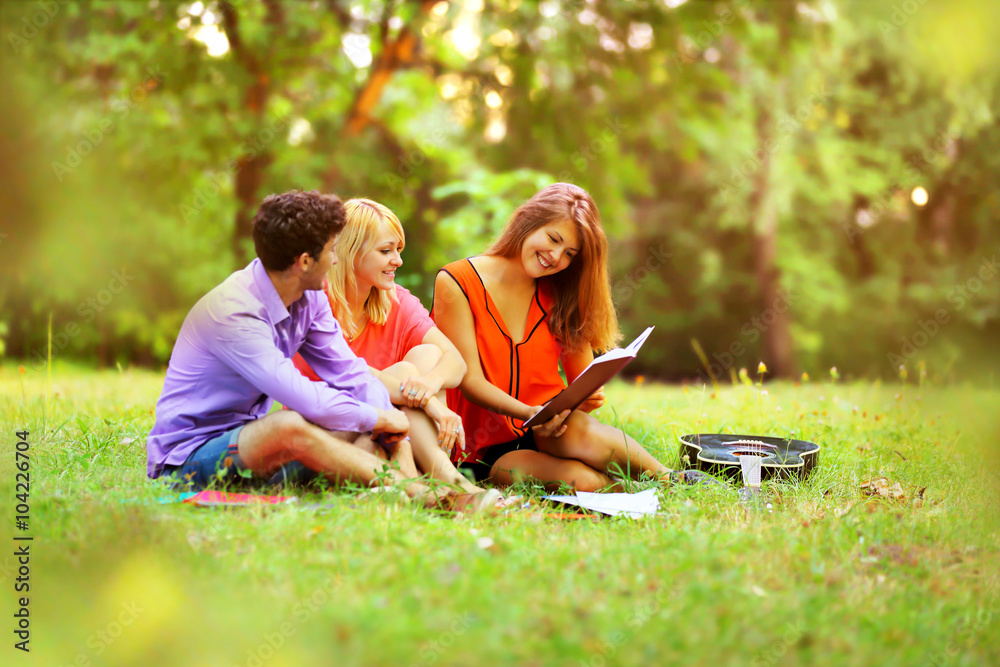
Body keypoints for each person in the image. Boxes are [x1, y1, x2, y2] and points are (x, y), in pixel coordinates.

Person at [146, 190, 494, 511]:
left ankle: (425, 489)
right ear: (304, 262)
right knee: (288, 425)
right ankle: (421, 494)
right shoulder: (234, 312)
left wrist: (388, 414)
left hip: (255, 455)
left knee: (369, 416)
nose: (336, 259)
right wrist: (379, 416)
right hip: (190, 461)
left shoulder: (309, 299)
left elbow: (350, 373)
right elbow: (304, 397)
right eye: (332, 250)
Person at [433, 183, 680, 491]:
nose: (555, 257)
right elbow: (470, 382)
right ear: (529, 221)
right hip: (484, 449)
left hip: (547, 428)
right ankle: (608, 481)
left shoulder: (560, 293)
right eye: (553, 239)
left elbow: (584, 385)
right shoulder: (457, 281)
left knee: (582, 432)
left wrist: (583, 399)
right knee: (587, 482)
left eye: (569, 253)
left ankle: (675, 479)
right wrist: (527, 412)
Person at [292, 198, 483, 495]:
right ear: (350, 252)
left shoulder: (395, 299)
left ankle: (429, 479)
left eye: (398, 250)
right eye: (385, 251)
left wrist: (426, 385)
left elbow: (456, 362)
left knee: (429, 356)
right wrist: (425, 400)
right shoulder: (315, 299)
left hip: (387, 430)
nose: (398, 260)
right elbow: (351, 372)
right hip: (330, 430)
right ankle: (451, 484)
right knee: (407, 372)